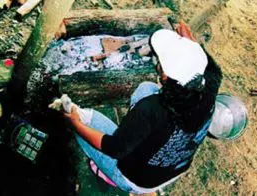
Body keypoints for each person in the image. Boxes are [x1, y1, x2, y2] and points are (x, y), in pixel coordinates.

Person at [62, 21, 222, 194]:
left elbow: (114, 148)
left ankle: (112, 176)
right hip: (174, 168)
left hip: (137, 179)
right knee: (146, 88)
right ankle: (135, 138)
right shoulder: (211, 80)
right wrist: (187, 40)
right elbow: (203, 60)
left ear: (166, 76)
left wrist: (76, 125)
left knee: (82, 118)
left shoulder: (151, 109)